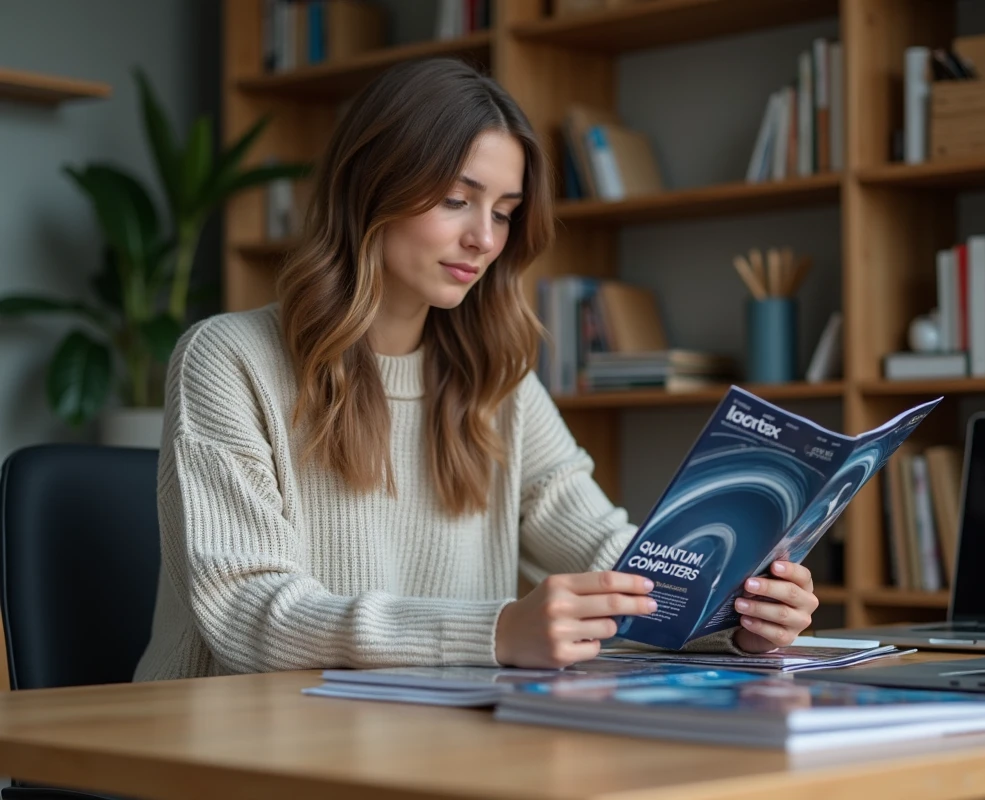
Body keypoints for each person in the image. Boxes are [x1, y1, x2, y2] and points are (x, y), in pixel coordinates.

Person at [133, 58, 818, 682]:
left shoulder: (498, 380)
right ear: (370, 189)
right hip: (234, 736)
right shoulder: (229, 359)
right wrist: (495, 632)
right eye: (455, 201)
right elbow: (247, 611)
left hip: (427, 735)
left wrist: (734, 612)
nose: (484, 239)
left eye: (505, 213)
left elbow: (611, 554)